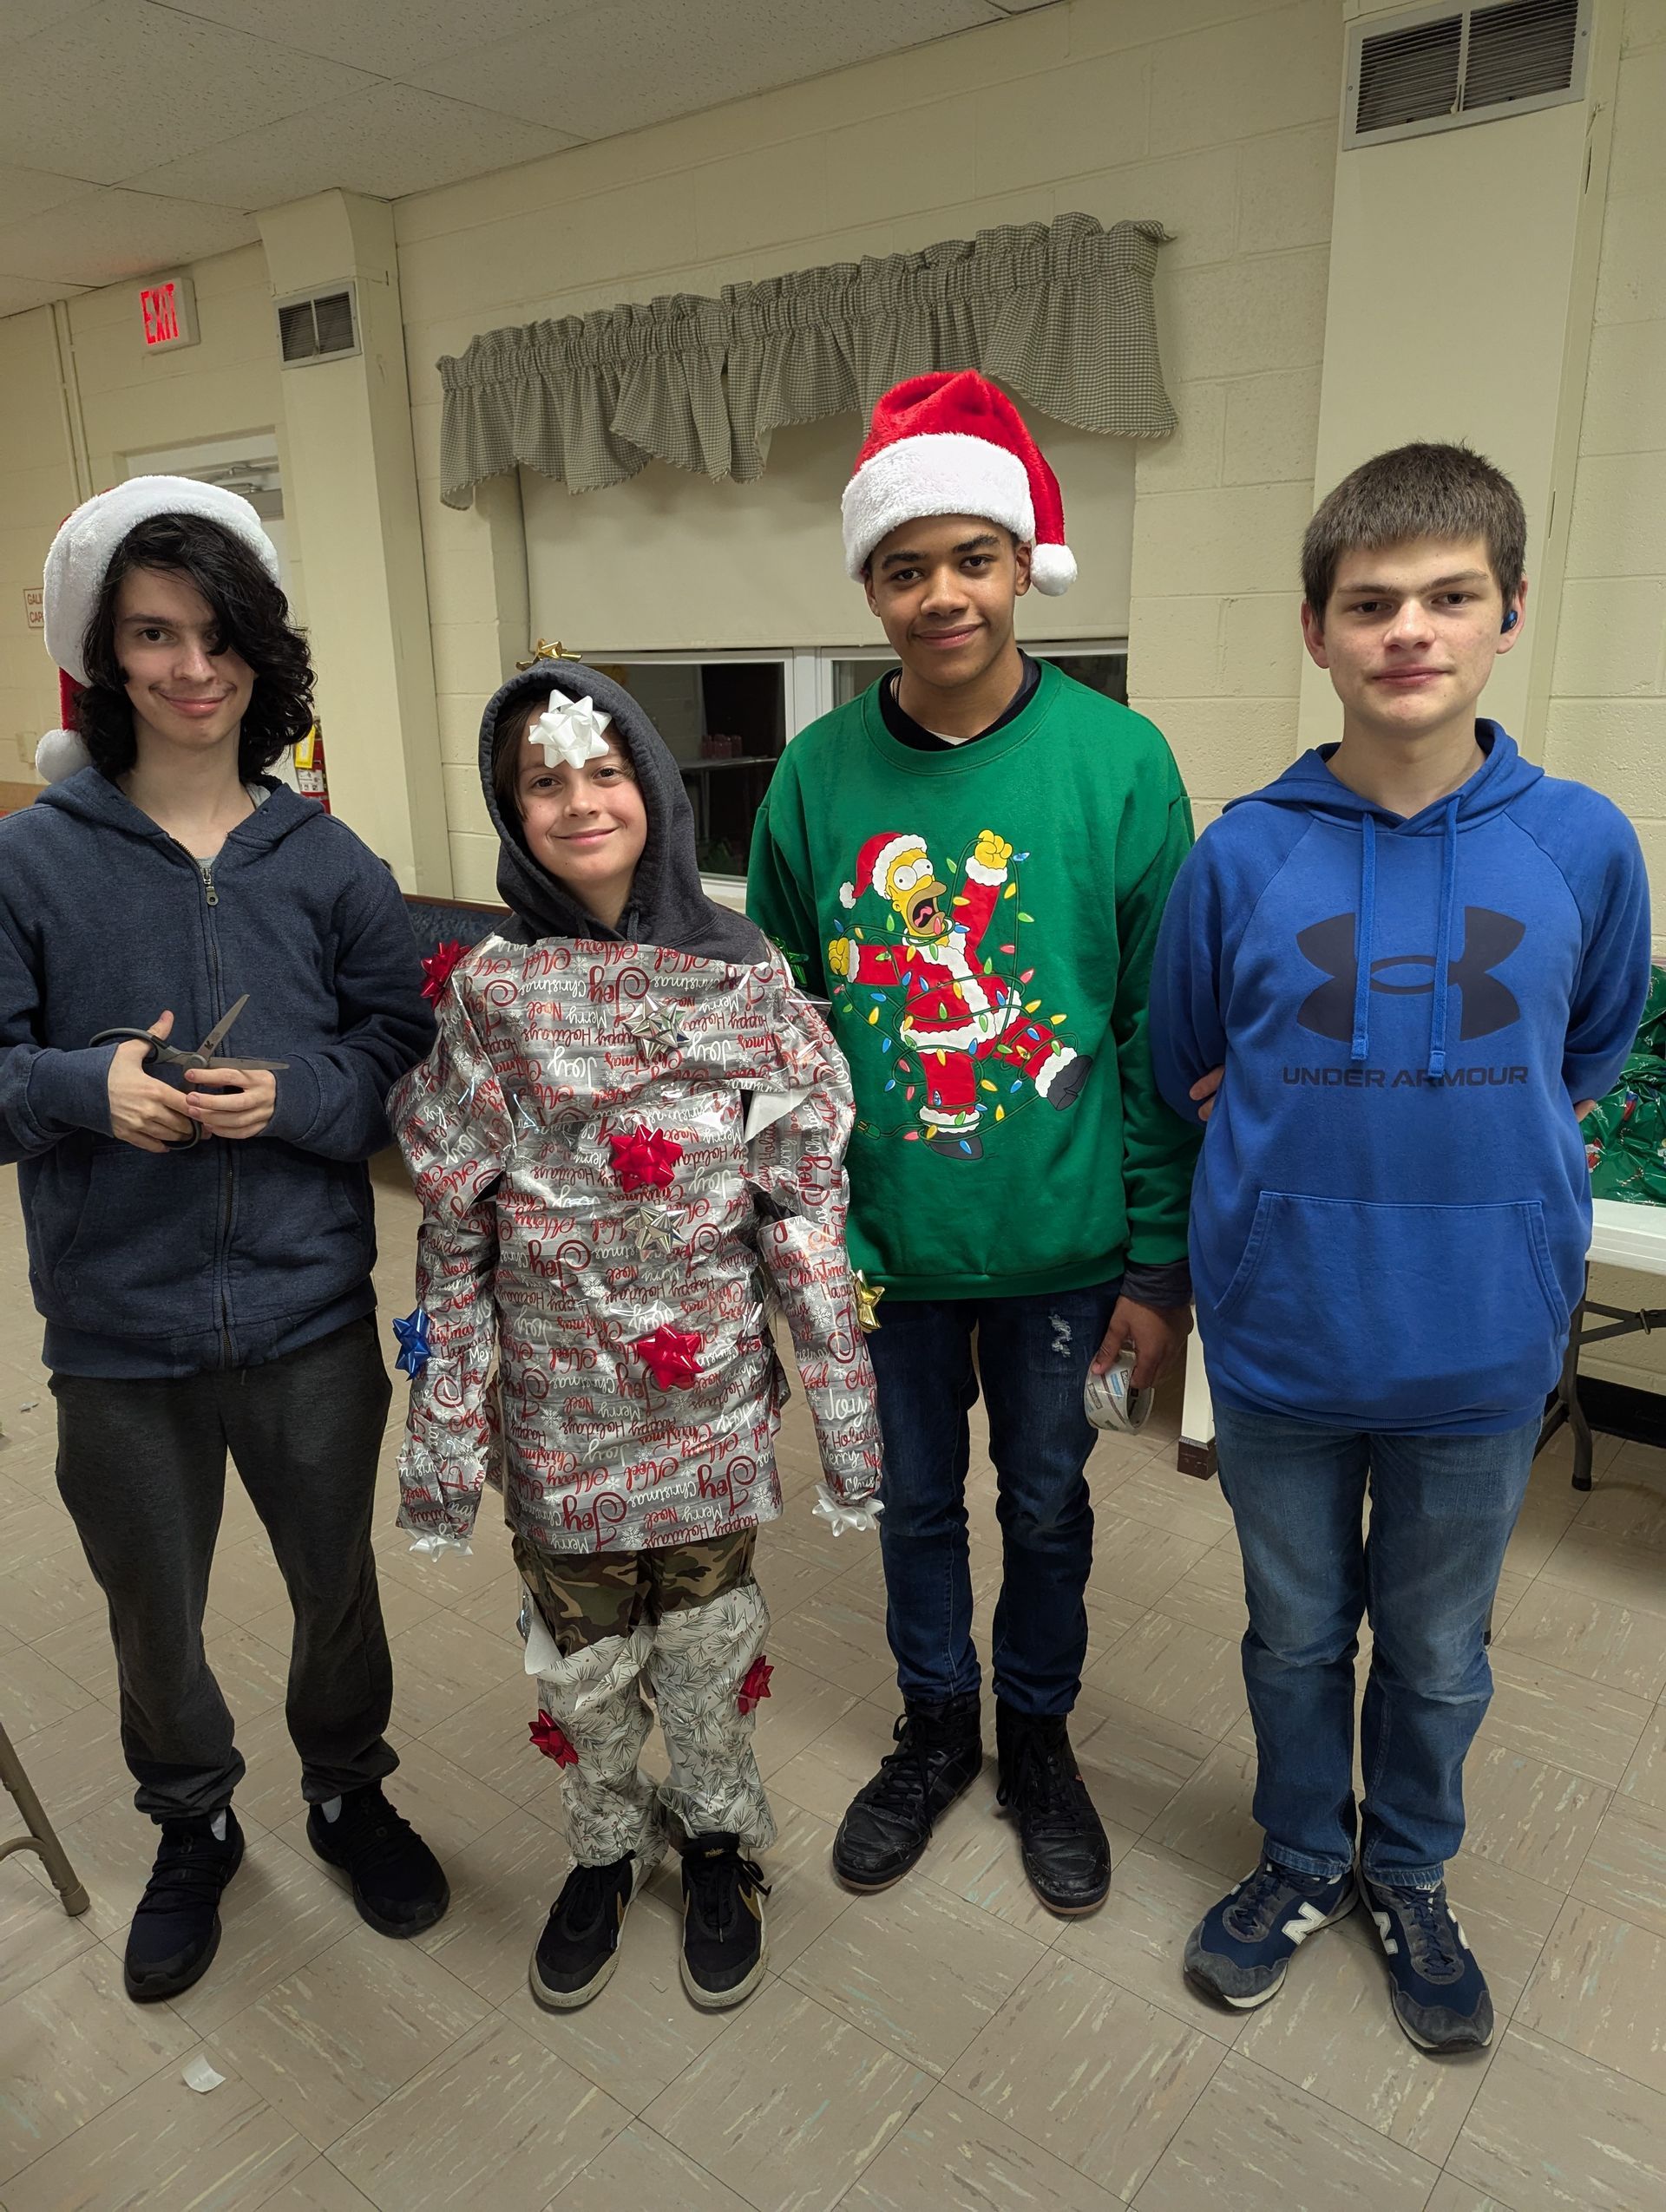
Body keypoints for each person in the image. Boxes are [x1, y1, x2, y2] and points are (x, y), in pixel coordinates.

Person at [1150, 442, 1650, 2052]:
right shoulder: (1242, 852)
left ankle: (1411, 1867)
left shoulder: (1583, 843)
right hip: (1283, 1336)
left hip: (1482, 1344)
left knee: (1436, 1652)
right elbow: (1184, 1062)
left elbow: (1586, 1050)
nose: (1410, 631)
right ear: (1316, 630)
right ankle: (1305, 1853)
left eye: (1450, 596)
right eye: (1371, 603)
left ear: (1511, 613)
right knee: (1295, 1633)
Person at [747, 371, 1197, 1916]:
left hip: (1070, 1253)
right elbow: (786, 1030)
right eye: (905, 566)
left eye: (971, 559)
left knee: (1050, 1506)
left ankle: (1040, 1743)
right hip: (886, 1256)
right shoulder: (813, 778)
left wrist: (1157, 1261)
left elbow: (1154, 1034)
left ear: (1020, 568)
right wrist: (799, 1238)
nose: (941, 594)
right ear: (870, 586)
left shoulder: (1120, 762)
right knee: (916, 1505)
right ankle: (938, 1724)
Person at [0, 478, 449, 2002]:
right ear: (105, 657)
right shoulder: (33, 861)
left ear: (261, 651)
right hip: (117, 1331)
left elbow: (401, 1052)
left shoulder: (327, 860)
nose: (193, 669)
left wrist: (298, 1095)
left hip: (309, 1315)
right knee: (153, 1608)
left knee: (336, 1581)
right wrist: (85, 1086)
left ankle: (348, 1789)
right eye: (154, 636)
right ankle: (191, 1821)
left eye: (219, 635)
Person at [391, 662, 882, 2011]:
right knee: (584, 1656)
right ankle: (607, 1839)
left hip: (707, 1408)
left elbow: (804, 1209)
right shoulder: (493, 994)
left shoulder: (744, 975)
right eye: (542, 781)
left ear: (654, 789)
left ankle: (718, 1837)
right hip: (559, 1420)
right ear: (511, 812)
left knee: (708, 1639)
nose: (579, 800)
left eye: (604, 771)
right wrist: (443, 1444)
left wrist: (847, 1422)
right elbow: (454, 1235)